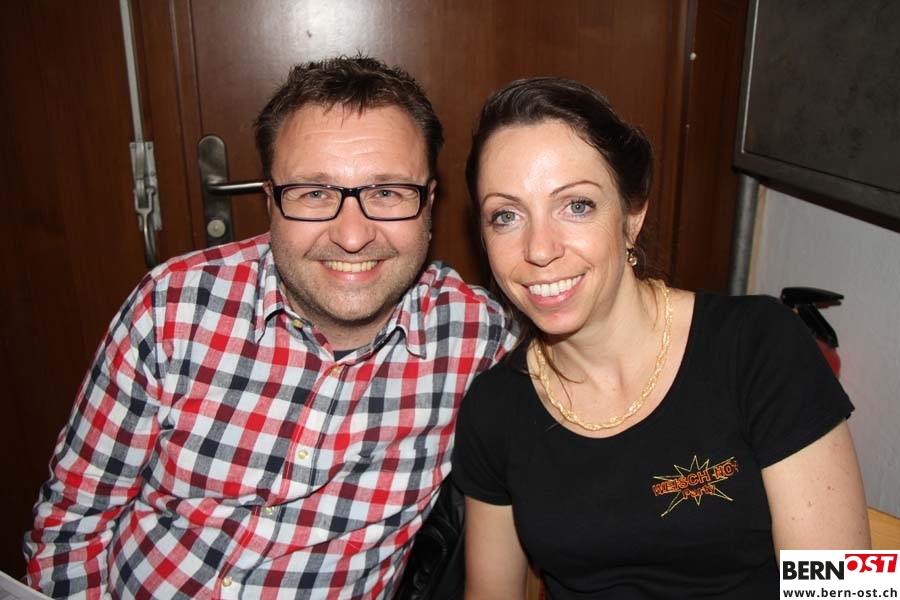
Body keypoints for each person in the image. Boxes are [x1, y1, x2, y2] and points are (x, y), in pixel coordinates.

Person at [25, 55, 516, 599]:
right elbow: (74, 522)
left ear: (429, 202)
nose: (353, 236)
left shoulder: (478, 337)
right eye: (313, 193)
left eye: (386, 193)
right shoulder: (171, 308)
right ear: (269, 202)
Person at [452, 77, 870, 599]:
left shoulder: (761, 344)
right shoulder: (494, 409)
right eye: (506, 216)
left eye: (576, 205)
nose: (539, 249)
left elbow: (850, 588)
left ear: (632, 216)